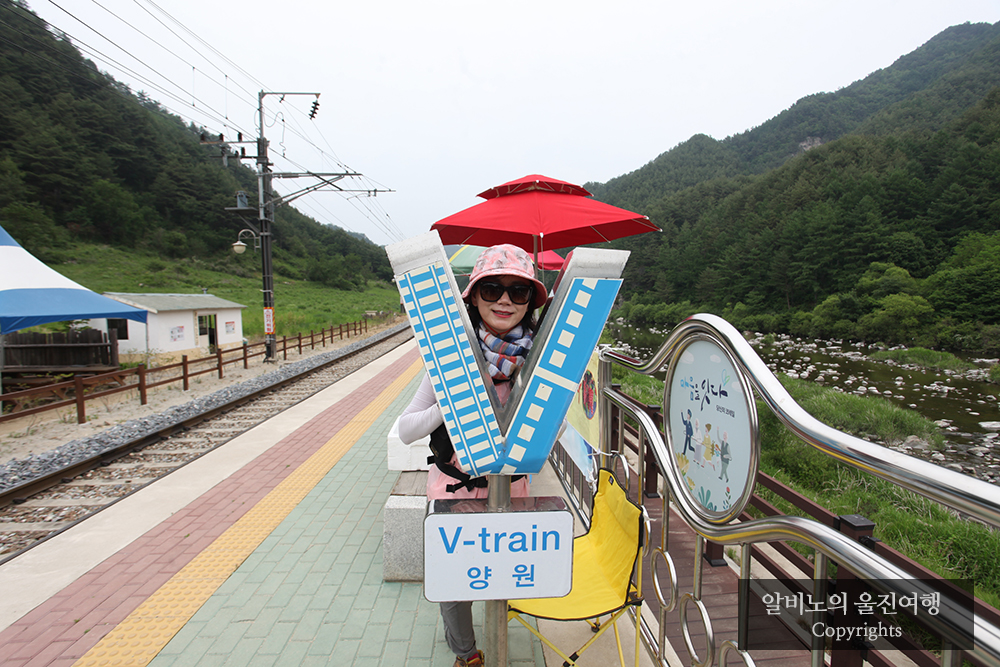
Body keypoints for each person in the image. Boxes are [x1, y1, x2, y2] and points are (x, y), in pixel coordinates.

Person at [398, 243, 547, 667]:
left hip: (511, 491)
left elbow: (550, 436)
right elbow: (406, 429)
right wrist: (452, 399)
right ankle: (467, 654)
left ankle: (498, 635)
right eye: (492, 289)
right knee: (453, 582)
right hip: (454, 491)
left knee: (503, 573)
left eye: (519, 291)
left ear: (530, 302)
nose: (505, 300)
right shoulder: (449, 361)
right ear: (474, 298)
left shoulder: (538, 362)